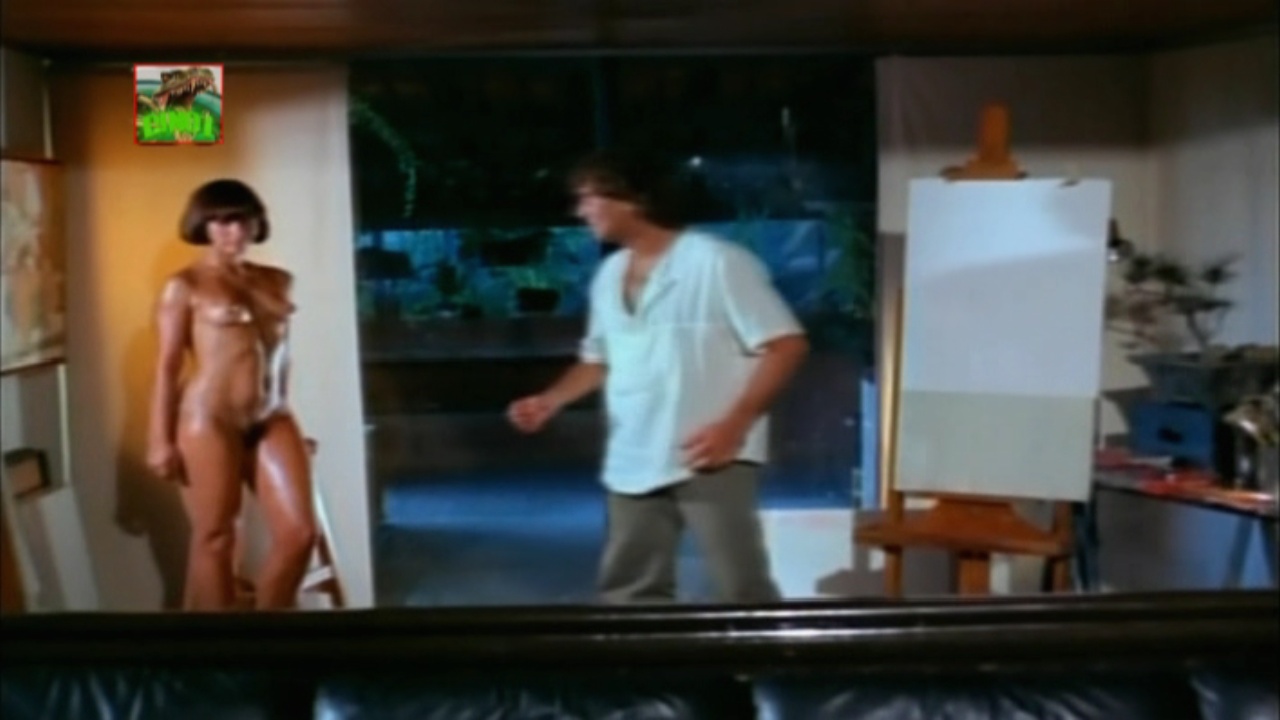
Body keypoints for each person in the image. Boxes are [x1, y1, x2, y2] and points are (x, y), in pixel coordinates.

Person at [507, 150, 809, 604]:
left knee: (740, 587)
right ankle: (640, 654)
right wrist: (551, 400)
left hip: (709, 451)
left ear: (634, 199)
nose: (581, 211)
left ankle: (756, 654)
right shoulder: (609, 274)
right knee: (629, 590)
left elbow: (786, 345)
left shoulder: (717, 262)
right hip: (634, 452)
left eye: (590, 197)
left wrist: (734, 425)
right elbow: (599, 358)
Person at [146, 178, 317, 611]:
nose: (233, 232)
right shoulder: (185, 285)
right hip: (209, 418)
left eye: (241, 220)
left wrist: (291, 424)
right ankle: (221, 644)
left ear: (256, 223)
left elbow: (282, 356)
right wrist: (159, 439)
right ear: (203, 226)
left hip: (271, 416)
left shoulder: (278, 281)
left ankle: (264, 636)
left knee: (299, 535)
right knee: (216, 536)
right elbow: (167, 365)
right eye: (221, 222)